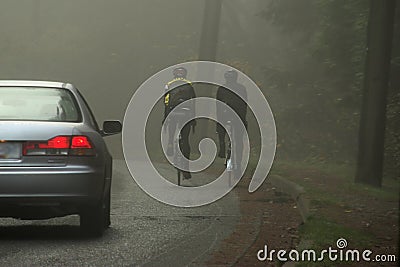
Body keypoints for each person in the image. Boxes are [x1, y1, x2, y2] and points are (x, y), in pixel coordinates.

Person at [163, 66, 196, 179]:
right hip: (187, 114)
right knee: (185, 140)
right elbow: (193, 102)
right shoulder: (189, 84)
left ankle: (170, 144)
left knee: (172, 131)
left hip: (173, 113)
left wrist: (165, 118)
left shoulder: (169, 84)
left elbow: (166, 102)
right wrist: (193, 119)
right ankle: (186, 169)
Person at [216, 70, 248, 173]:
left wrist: (219, 119)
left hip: (226, 116)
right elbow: (244, 105)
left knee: (223, 133)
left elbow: (218, 106)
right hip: (237, 116)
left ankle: (222, 148)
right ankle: (237, 163)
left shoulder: (221, 88)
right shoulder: (241, 88)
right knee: (239, 141)